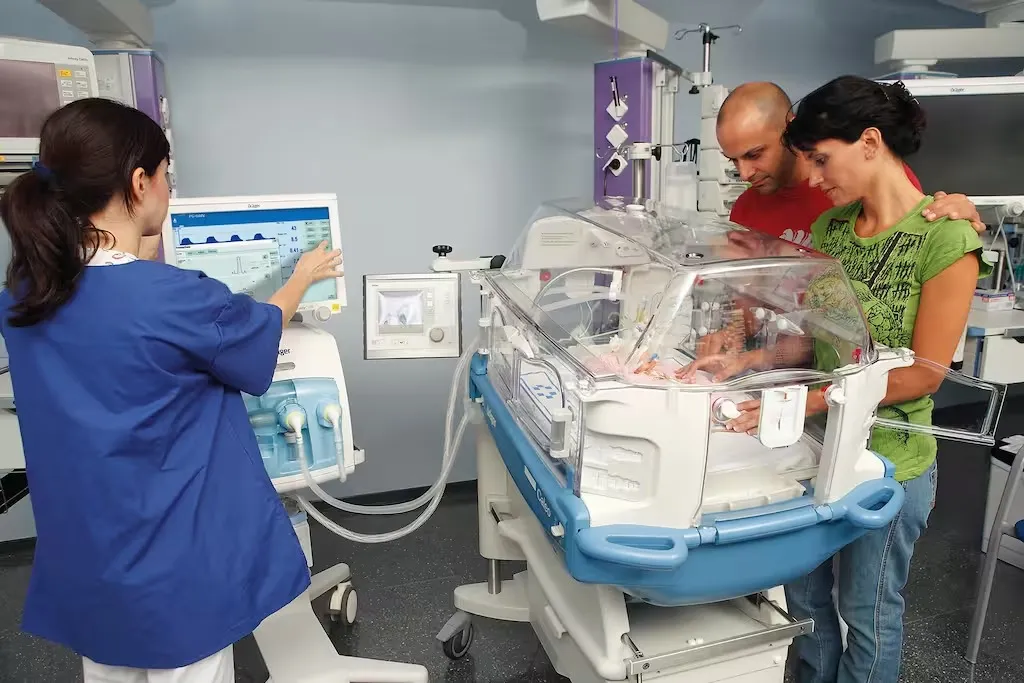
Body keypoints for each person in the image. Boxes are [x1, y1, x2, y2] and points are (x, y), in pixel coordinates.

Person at [0, 98, 342, 682]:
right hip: (175, 562)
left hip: (89, 553)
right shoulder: (174, 297)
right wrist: (302, 277)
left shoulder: (25, 296)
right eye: (166, 176)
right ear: (140, 183)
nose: (168, 189)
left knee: (110, 666)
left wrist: (134, 254)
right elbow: (256, 334)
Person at [690, 76, 988, 683]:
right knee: (805, 603)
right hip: (815, 446)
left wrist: (807, 401)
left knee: (867, 611)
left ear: (870, 143)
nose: (815, 175)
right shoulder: (832, 230)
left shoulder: (945, 237)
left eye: (822, 160)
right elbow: (819, 341)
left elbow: (922, 376)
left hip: (888, 458)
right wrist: (746, 362)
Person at [715, 81, 985, 245]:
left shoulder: (861, 185)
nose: (744, 174)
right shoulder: (745, 210)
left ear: (790, 130)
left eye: (754, 154)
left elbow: (919, 236)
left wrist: (952, 217)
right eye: (733, 160)